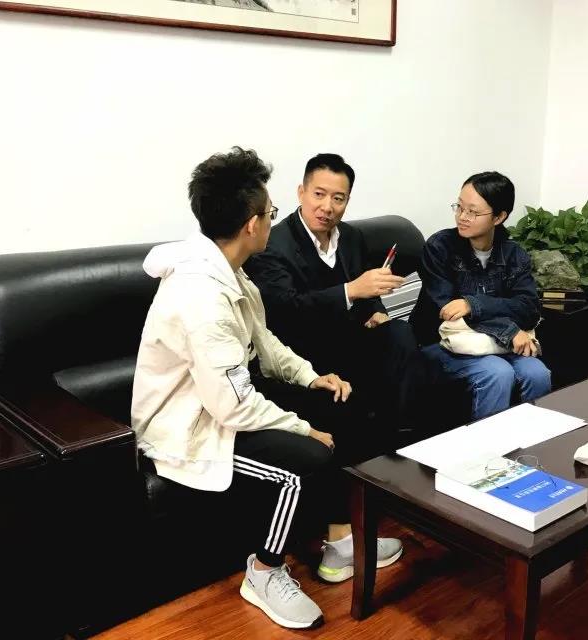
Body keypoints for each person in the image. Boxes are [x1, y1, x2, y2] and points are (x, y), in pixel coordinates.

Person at [131, 147, 401, 631]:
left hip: (220, 402)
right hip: (188, 428)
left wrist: (311, 377)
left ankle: (339, 540)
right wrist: (302, 429)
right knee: (304, 460)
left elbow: (266, 343)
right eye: (271, 212)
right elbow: (233, 408)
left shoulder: (231, 271)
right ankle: (263, 570)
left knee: (336, 401)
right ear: (252, 224)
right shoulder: (203, 297)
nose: (275, 221)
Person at [244, 153, 426, 432]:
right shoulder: (273, 243)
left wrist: (377, 312)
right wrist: (349, 291)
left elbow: (368, 293)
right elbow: (285, 310)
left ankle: (409, 433)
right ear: (301, 192)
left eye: (338, 198)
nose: (327, 207)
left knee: (400, 334)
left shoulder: (351, 237)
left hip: (350, 342)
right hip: (304, 350)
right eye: (319, 194)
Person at [410, 171, 552, 420]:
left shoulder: (514, 254)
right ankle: (489, 445)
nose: (462, 217)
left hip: (496, 345)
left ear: (499, 217)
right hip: (442, 343)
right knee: (497, 373)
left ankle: (533, 441)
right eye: (459, 207)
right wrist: (509, 330)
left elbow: (528, 308)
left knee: (537, 373)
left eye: (473, 212)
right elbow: (448, 311)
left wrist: (472, 304)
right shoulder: (440, 247)